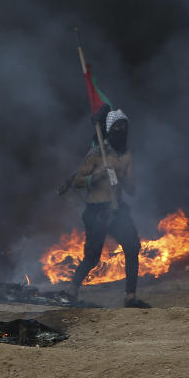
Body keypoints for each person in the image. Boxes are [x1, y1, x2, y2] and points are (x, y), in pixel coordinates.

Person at [68, 109, 147, 308]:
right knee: (93, 256)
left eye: (124, 126)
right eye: (116, 127)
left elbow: (132, 190)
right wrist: (99, 174)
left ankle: (130, 297)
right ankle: (71, 291)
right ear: (109, 130)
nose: (121, 130)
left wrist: (121, 176)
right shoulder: (96, 154)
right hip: (97, 211)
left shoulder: (126, 156)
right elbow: (77, 181)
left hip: (117, 210)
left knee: (132, 247)